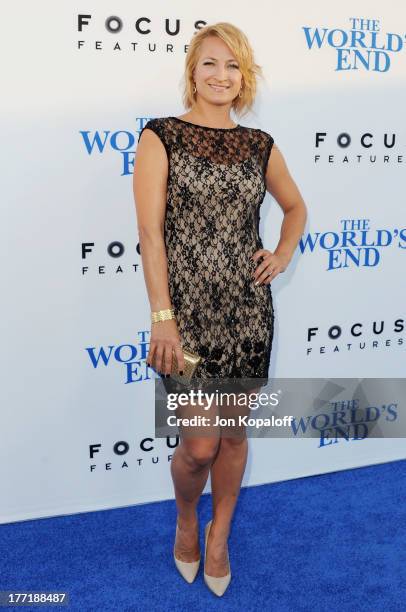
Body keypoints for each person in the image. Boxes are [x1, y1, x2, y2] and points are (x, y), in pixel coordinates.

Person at [133, 22, 307, 597]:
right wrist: (163, 316)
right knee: (199, 445)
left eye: (232, 66)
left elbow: (295, 208)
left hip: (248, 313)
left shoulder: (261, 146)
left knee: (233, 439)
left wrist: (281, 253)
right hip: (184, 318)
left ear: (244, 77)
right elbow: (150, 236)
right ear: (192, 72)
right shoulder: (161, 137)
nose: (221, 76)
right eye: (210, 63)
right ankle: (187, 517)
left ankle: (219, 534)